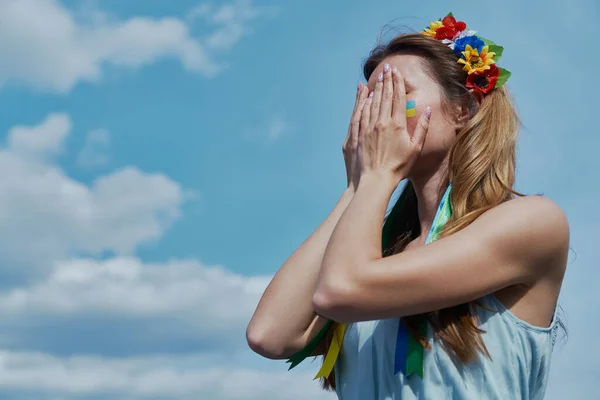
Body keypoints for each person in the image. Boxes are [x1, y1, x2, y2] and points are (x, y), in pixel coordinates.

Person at [246, 14, 569, 400]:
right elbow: (269, 335)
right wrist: (356, 187)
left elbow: (341, 291)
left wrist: (378, 175)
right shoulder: (372, 254)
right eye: (371, 99)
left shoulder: (532, 223)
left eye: (398, 94)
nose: (378, 117)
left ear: (464, 108)